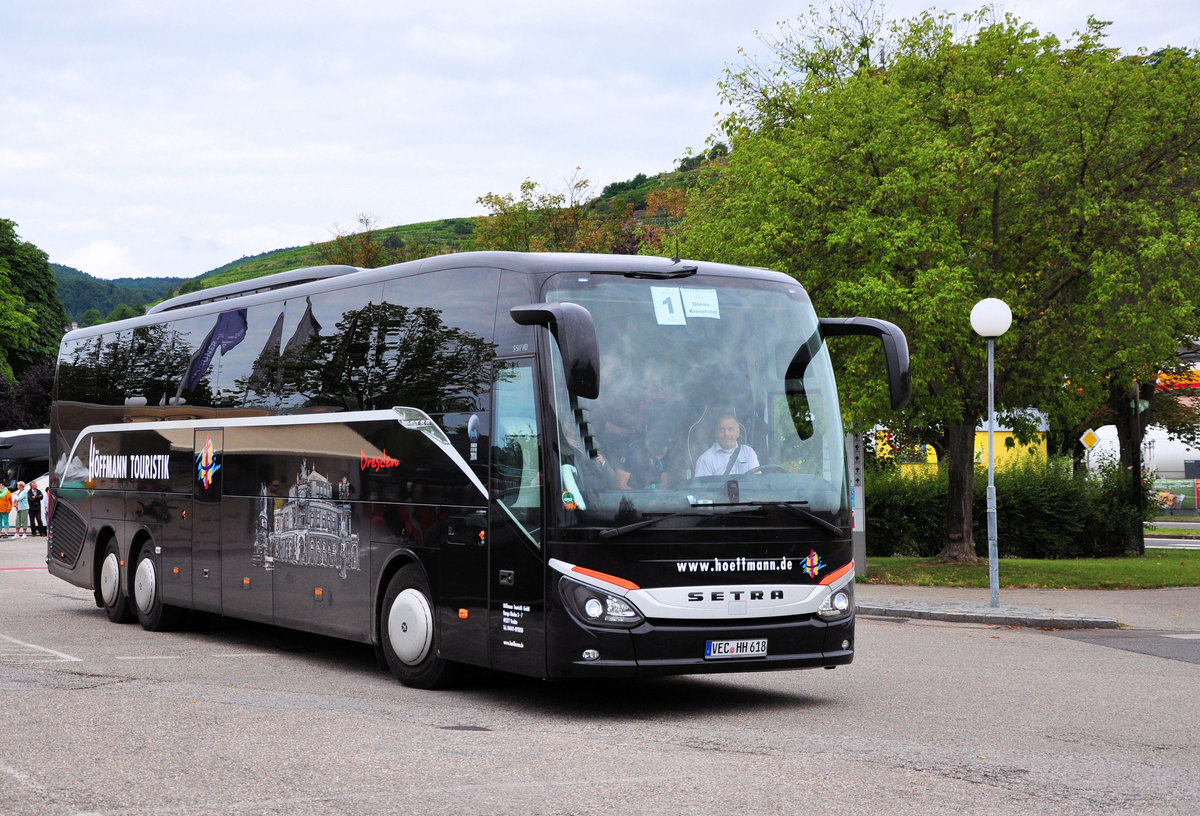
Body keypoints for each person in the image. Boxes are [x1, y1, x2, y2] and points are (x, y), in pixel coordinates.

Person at [694, 409, 760, 478]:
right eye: (722, 430)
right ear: (716, 433)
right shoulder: (705, 460)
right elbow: (702, 488)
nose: (726, 434)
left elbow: (756, 481)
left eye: (730, 429)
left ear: (738, 433)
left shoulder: (748, 453)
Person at [615, 420, 679, 489]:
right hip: (631, 497)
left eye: (663, 454)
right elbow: (621, 485)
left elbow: (665, 486)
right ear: (649, 445)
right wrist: (641, 497)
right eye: (658, 453)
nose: (660, 458)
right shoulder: (630, 452)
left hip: (656, 497)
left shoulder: (665, 455)